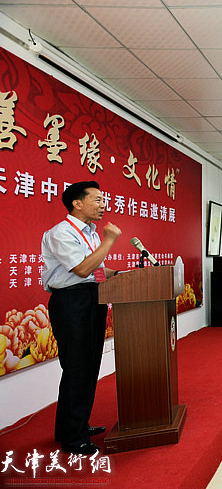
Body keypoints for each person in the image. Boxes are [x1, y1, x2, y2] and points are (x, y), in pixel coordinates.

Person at [41, 181, 121, 455]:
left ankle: (73, 425)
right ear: (77, 203)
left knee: (89, 367)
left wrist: (117, 274)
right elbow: (82, 269)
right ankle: (72, 439)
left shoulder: (92, 234)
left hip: (92, 299)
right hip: (71, 303)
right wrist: (109, 241)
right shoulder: (61, 233)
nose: (103, 205)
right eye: (97, 200)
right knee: (76, 368)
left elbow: (94, 272)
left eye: (103, 200)